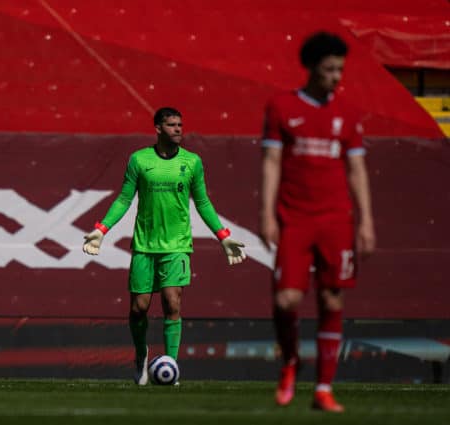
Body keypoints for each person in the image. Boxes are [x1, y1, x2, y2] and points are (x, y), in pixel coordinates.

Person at [83, 107, 246, 385]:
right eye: (171, 125)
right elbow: (124, 199)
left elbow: (203, 202)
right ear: (158, 128)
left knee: (173, 302)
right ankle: (140, 355)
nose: (179, 129)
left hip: (177, 245)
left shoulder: (192, 162)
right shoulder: (139, 160)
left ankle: (171, 367)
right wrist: (101, 230)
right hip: (145, 246)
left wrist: (223, 235)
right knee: (139, 309)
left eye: (181, 124)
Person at [260, 32, 375, 412]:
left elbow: (356, 168)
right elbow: (272, 163)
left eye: (340, 69)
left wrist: (365, 221)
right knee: (286, 299)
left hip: (336, 219)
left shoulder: (349, 113)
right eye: (329, 69)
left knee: (331, 296)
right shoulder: (281, 107)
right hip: (294, 218)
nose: (335, 77)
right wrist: (266, 213)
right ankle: (291, 361)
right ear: (311, 68)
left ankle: (323, 389)